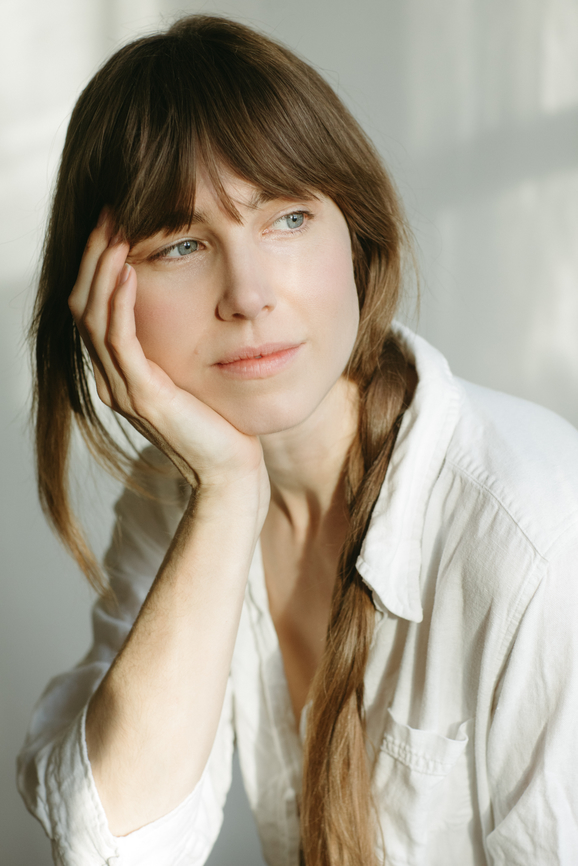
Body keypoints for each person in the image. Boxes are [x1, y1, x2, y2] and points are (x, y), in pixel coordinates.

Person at [17, 13, 578, 866]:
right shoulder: (181, 493)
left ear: (353, 231)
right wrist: (229, 490)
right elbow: (114, 847)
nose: (247, 293)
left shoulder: (535, 535)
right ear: (106, 300)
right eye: (183, 244)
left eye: (286, 219)